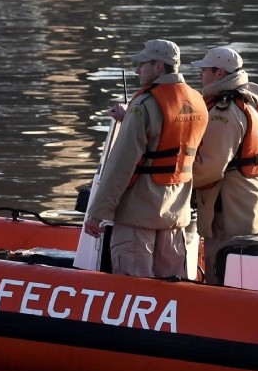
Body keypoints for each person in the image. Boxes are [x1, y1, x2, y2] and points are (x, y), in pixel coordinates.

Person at [82, 39, 208, 279]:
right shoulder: (197, 101)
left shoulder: (144, 104)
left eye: (143, 64)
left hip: (138, 217)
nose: (138, 70)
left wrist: (97, 213)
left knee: (134, 290)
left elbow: (120, 166)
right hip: (176, 216)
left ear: (159, 66)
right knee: (172, 290)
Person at [191, 46, 258, 282]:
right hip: (249, 209)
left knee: (220, 271)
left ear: (220, 74)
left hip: (228, 213)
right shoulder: (252, 103)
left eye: (205, 70)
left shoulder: (225, 111)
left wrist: (175, 179)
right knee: (243, 271)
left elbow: (209, 168)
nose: (201, 75)